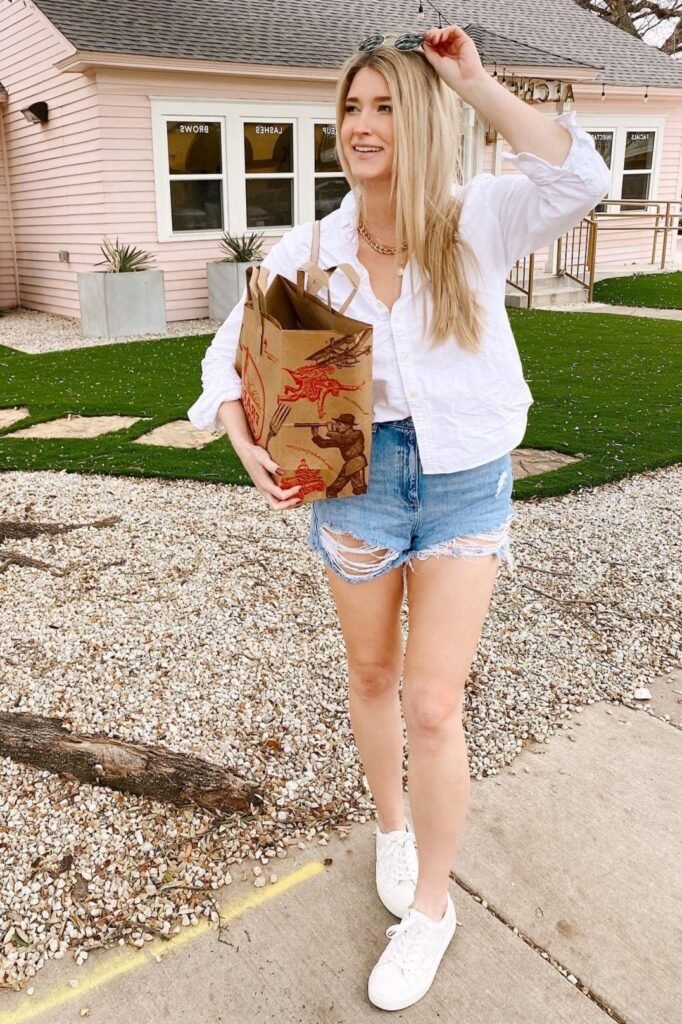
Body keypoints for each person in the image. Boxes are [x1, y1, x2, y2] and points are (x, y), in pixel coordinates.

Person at [187, 23, 610, 1013]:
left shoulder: (476, 220)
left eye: (382, 105)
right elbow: (226, 355)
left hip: (464, 486)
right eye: (350, 107)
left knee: (433, 702)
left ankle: (430, 909)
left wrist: (470, 81)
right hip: (356, 486)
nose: (362, 124)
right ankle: (393, 826)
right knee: (372, 676)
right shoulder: (314, 247)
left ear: (417, 117)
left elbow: (579, 180)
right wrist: (244, 437)